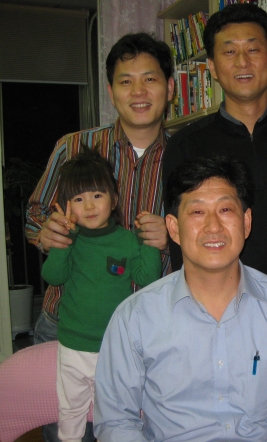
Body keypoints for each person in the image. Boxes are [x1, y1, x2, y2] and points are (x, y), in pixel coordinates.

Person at [94, 156, 267, 441]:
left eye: (225, 209)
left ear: (246, 222)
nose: (213, 226)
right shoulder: (134, 317)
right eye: (197, 212)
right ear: (173, 228)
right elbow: (116, 421)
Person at [25, 31, 174, 441]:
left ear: (170, 87)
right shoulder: (74, 146)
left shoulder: (186, 155)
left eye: (150, 79)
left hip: (145, 332)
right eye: (126, 81)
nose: (138, 92)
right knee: (68, 429)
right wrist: (46, 233)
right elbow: (34, 215)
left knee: (130, 430)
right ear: (111, 91)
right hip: (66, 326)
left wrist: (171, 238)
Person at [162, 3, 267, 291]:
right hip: (223, 304)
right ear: (212, 67)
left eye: (253, 49)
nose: (242, 62)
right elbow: (182, 245)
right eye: (229, 52)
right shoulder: (186, 146)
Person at [41, 150, 161, 441]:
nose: (89, 205)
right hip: (72, 345)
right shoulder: (70, 240)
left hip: (114, 347)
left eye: (97, 195)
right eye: (78, 199)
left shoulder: (127, 240)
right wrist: (63, 242)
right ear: (66, 206)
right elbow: (53, 276)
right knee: (70, 410)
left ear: (114, 200)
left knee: (115, 413)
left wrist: (148, 243)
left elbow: (147, 279)